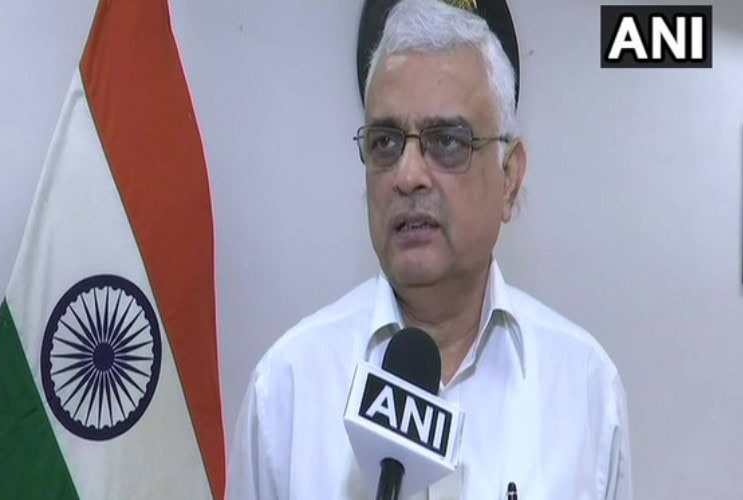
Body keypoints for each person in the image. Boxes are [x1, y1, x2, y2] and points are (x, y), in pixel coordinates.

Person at [228, 1, 632, 498]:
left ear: (509, 178)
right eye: (385, 142)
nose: (408, 175)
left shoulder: (585, 388)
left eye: (447, 141)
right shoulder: (286, 389)